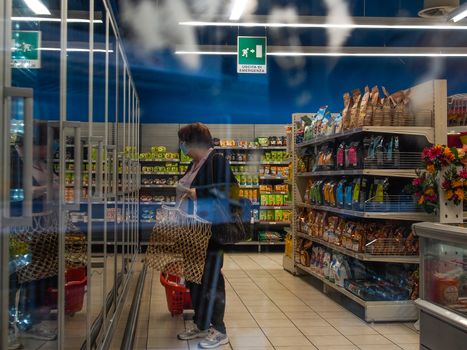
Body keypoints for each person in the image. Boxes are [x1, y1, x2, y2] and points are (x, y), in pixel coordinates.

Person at [175, 122, 238, 349]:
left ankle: (219, 330)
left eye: (183, 142)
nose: (181, 146)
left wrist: (196, 193)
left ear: (194, 142)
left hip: (210, 232)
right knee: (195, 279)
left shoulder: (216, 161)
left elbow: (231, 191)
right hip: (193, 232)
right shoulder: (194, 164)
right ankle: (201, 323)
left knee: (211, 280)